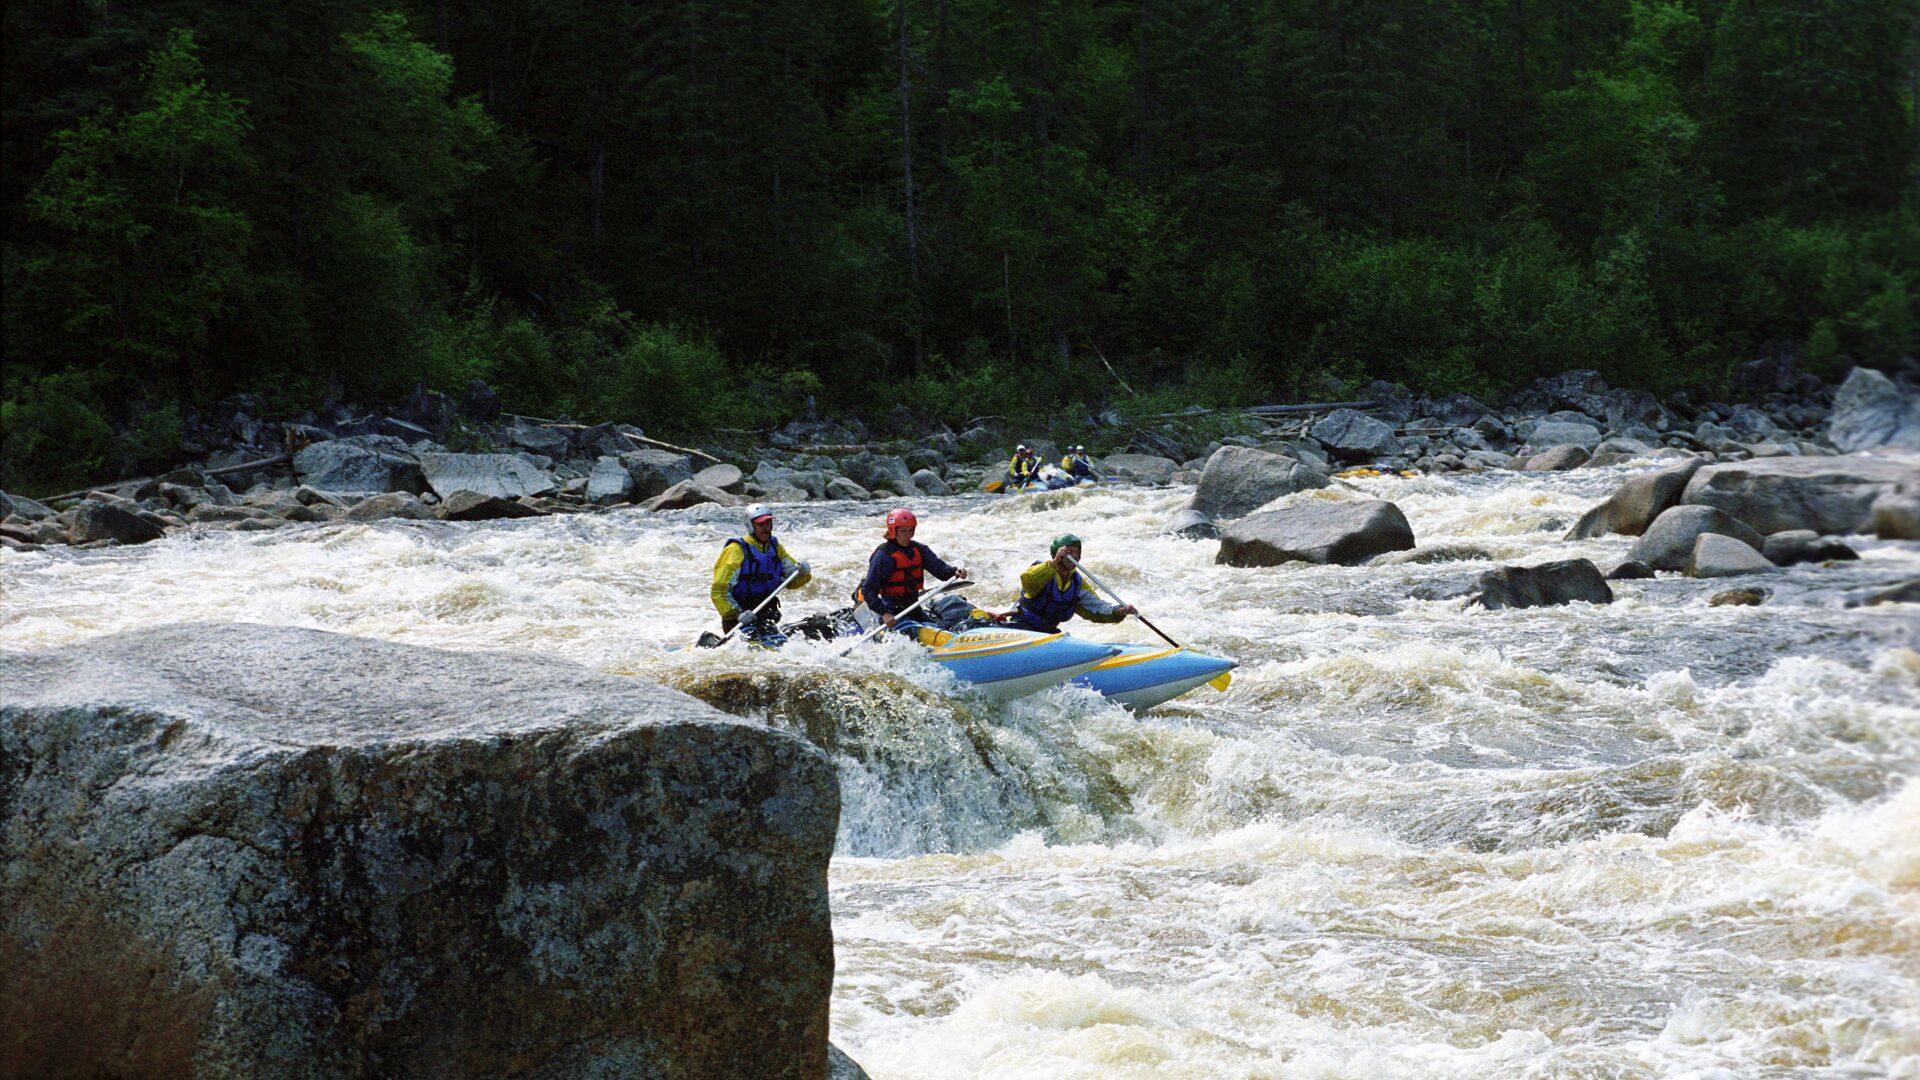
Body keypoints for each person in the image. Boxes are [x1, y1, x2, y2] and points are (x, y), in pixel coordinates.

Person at [854, 508, 969, 633]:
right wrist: (884, 613)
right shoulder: (884, 556)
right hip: (891, 610)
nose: (907, 535)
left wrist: (954, 572)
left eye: (910, 531)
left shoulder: (919, 549)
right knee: (919, 634)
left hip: (913, 606)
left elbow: (940, 569)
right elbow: (868, 589)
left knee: (938, 631)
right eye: (903, 531)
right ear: (893, 531)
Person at [709, 503, 810, 641]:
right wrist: (737, 614)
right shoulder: (735, 550)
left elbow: (792, 582)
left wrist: (803, 572)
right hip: (739, 620)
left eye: (768, 522)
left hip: (765, 616)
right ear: (750, 526)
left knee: (781, 644)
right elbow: (718, 591)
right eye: (760, 524)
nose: (766, 527)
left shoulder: (775, 547)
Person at [1008, 533, 1136, 633]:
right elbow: (1028, 580)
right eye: (1069, 552)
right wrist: (1054, 562)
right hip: (1022, 628)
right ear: (1058, 553)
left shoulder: (1076, 583)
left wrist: (1119, 611)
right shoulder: (1042, 570)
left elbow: (1094, 608)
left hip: (1047, 633)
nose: (1074, 556)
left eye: (1076, 552)